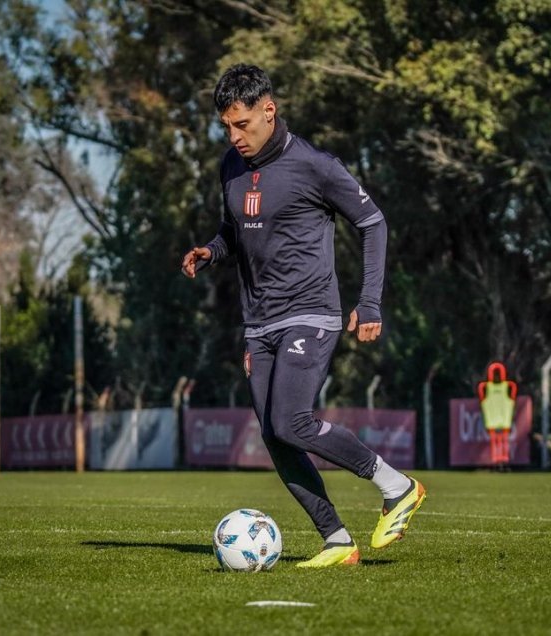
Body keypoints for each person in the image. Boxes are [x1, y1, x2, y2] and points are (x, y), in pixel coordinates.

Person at [181, 64, 426, 568]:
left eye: (242, 124)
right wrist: (211, 251)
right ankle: (336, 540)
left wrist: (371, 300)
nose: (235, 136)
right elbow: (236, 230)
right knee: (274, 433)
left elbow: (373, 222)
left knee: (292, 420)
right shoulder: (229, 166)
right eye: (226, 127)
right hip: (259, 322)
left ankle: (396, 486)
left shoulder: (314, 163)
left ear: (269, 110)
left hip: (311, 311)